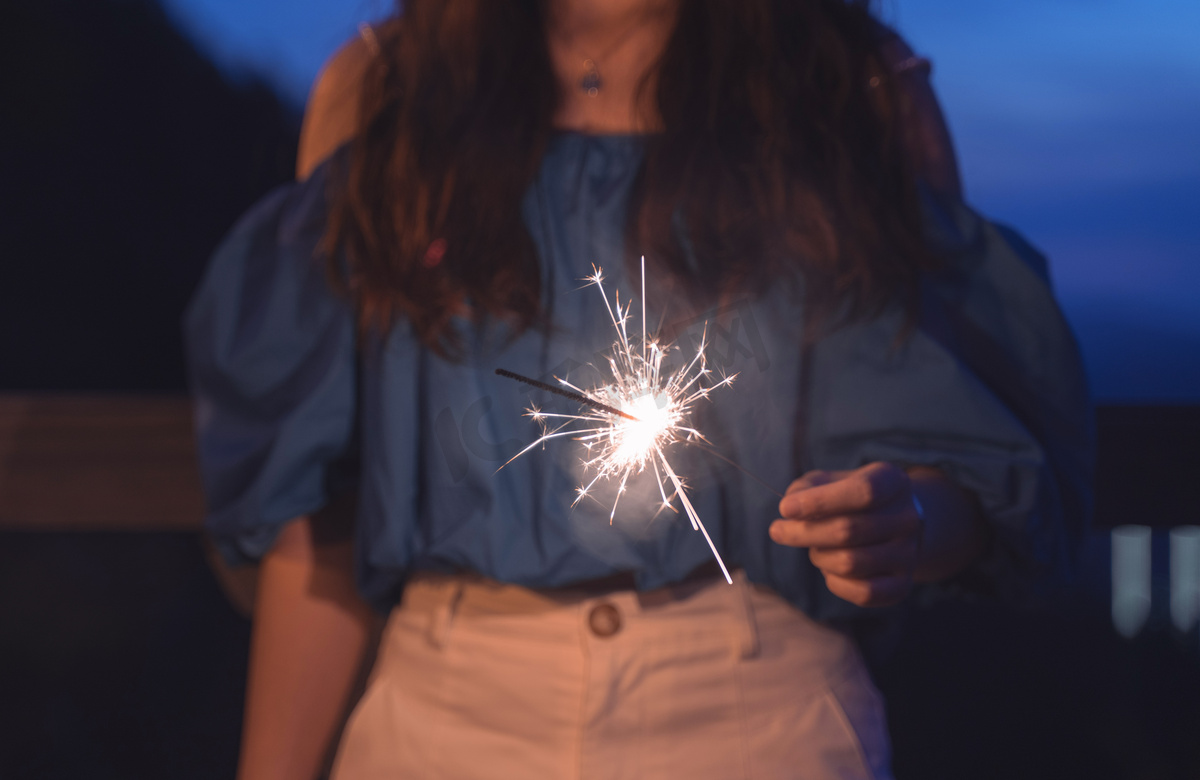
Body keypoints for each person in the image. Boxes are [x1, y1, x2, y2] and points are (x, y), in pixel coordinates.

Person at [185, 1, 1093, 778]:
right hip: (437, 722)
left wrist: (905, 526)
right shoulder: (390, 90)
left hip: (755, 718)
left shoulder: (845, 86)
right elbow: (323, 519)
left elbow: (973, 457)